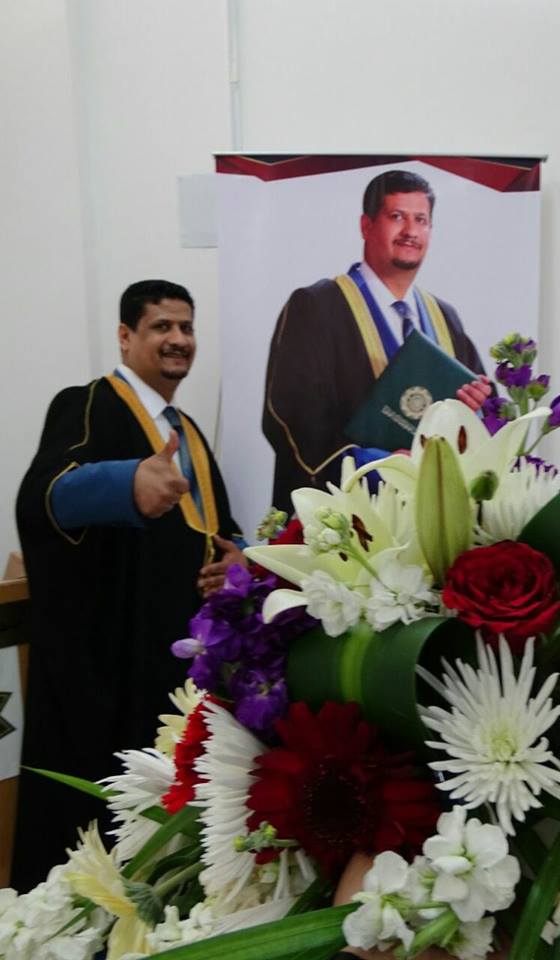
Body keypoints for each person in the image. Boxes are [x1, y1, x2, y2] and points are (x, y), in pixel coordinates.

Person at [12, 279, 245, 889]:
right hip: (112, 667)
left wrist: (237, 559)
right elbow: (42, 498)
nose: (178, 339)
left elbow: (220, 528)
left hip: (179, 668)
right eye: (161, 326)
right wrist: (125, 484)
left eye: (186, 327)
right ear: (125, 336)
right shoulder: (89, 403)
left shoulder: (186, 429)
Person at [263, 169, 492, 514]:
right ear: (366, 225)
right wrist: (378, 467)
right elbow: (291, 414)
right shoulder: (317, 306)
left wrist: (475, 410)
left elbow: (481, 411)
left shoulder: (445, 318)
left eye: (421, 220)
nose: (410, 231)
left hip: (429, 519)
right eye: (397, 216)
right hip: (344, 518)